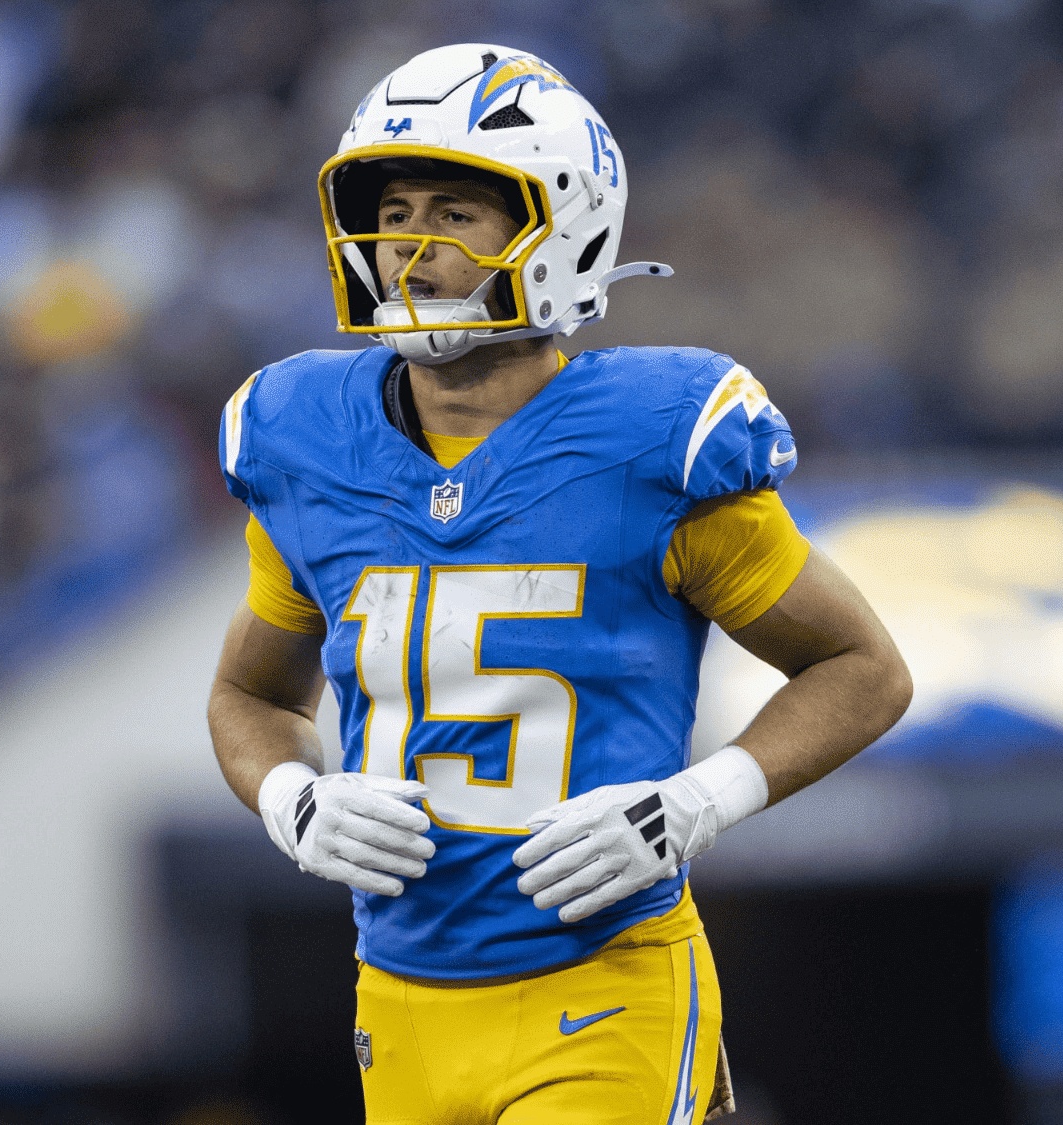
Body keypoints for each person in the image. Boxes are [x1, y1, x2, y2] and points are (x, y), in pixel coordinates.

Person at [206, 43, 911, 1125]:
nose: (410, 248)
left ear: (560, 227)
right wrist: (290, 799)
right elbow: (249, 698)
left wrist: (695, 805)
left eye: (453, 212)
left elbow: (862, 668)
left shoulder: (648, 438)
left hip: (601, 989)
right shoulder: (305, 439)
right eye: (393, 213)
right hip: (396, 1001)